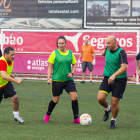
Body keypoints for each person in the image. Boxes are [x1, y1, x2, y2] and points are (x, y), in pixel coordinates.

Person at [43, 36, 80, 124]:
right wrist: (48, 78)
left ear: (65, 44)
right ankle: (47, 114)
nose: (61, 45)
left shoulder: (70, 53)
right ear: (57, 44)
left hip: (68, 80)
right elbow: (50, 66)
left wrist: (72, 73)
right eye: (59, 43)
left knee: (74, 97)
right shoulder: (54, 53)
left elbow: (75, 64)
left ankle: (76, 118)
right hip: (57, 80)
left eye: (62, 43)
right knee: (55, 100)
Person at [97, 35, 127, 129]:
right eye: (106, 43)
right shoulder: (107, 49)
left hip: (120, 80)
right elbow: (103, 54)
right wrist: (104, 50)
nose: (107, 45)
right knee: (100, 98)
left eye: (109, 43)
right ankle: (107, 109)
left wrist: (114, 75)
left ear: (115, 43)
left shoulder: (121, 52)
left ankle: (113, 120)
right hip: (107, 78)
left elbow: (124, 67)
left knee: (114, 102)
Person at [0, 46, 24, 123]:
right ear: (6, 54)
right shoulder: (2, 61)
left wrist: (10, 74)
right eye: (11, 55)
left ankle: (16, 116)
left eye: (14, 55)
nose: (13, 57)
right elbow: (3, 75)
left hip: (6, 83)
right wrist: (16, 81)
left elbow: (5, 72)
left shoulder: (10, 59)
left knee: (15, 98)